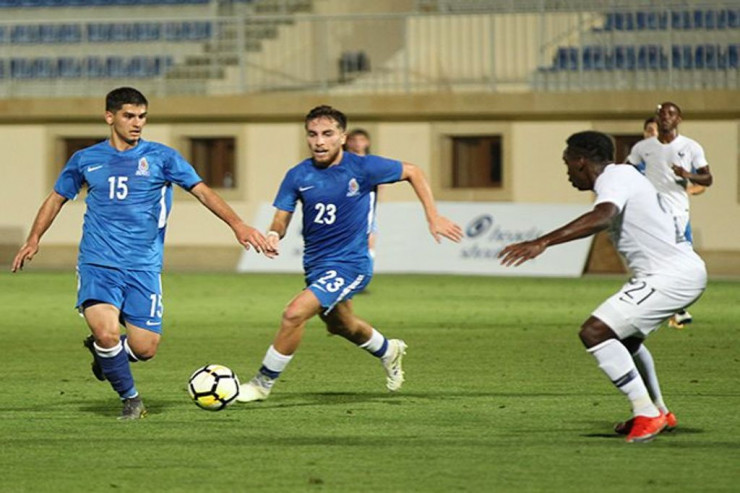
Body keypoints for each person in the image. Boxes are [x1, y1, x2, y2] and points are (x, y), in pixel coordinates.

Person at [11, 87, 271, 420]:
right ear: (110, 117)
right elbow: (56, 198)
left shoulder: (163, 158)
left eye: (142, 116)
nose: (137, 123)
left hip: (143, 266)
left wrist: (238, 225)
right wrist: (34, 238)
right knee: (106, 331)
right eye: (129, 116)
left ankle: (105, 355)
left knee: (145, 348)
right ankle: (131, 399)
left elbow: (203, 192)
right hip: (98, 262)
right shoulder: (86, 159)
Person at [236, 105, 463, 403]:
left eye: (328, 134)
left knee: (294, 313)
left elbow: (413, 171)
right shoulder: (297, 175)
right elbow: (281, 216)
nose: (319, 141)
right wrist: (274, 234)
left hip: (351, 263)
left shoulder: (364, 168)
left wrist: (433, 216)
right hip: (316, 264)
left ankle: (262, 384)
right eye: (313, 134)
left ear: (342, 137)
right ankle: (388, 350)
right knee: (340, 325)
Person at [499, 131, 706, 443]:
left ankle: (646, 412)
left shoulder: (615, 177)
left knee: (594, 332)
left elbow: (602, 217)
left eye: (567, 164)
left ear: (581, 161)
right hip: (674, 273)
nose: (567, 172)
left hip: (671, 276)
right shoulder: (624, 177)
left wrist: (542, 241)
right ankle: (659, 411)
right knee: (626, 340)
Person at [627, 102, 712, 329]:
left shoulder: (690, 147)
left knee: (675, 259)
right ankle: (665, 306)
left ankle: (673, 305)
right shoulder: (642, 152)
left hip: (677, 213)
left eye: (670, 114)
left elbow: (706, 181)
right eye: (661, 115)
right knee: (652, 258)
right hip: (649, 213)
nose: (664, 118)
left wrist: (687, 177)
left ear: (678, 119)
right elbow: (625, 172)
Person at [345, 128, 380, 264]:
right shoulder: (341, 162)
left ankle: (365, 270)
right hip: (345, 208)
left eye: (361, 140)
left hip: (365, 207)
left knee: (369, 240)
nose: (357, 143)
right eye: (353, 140)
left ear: (367, 142)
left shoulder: (372, 163)